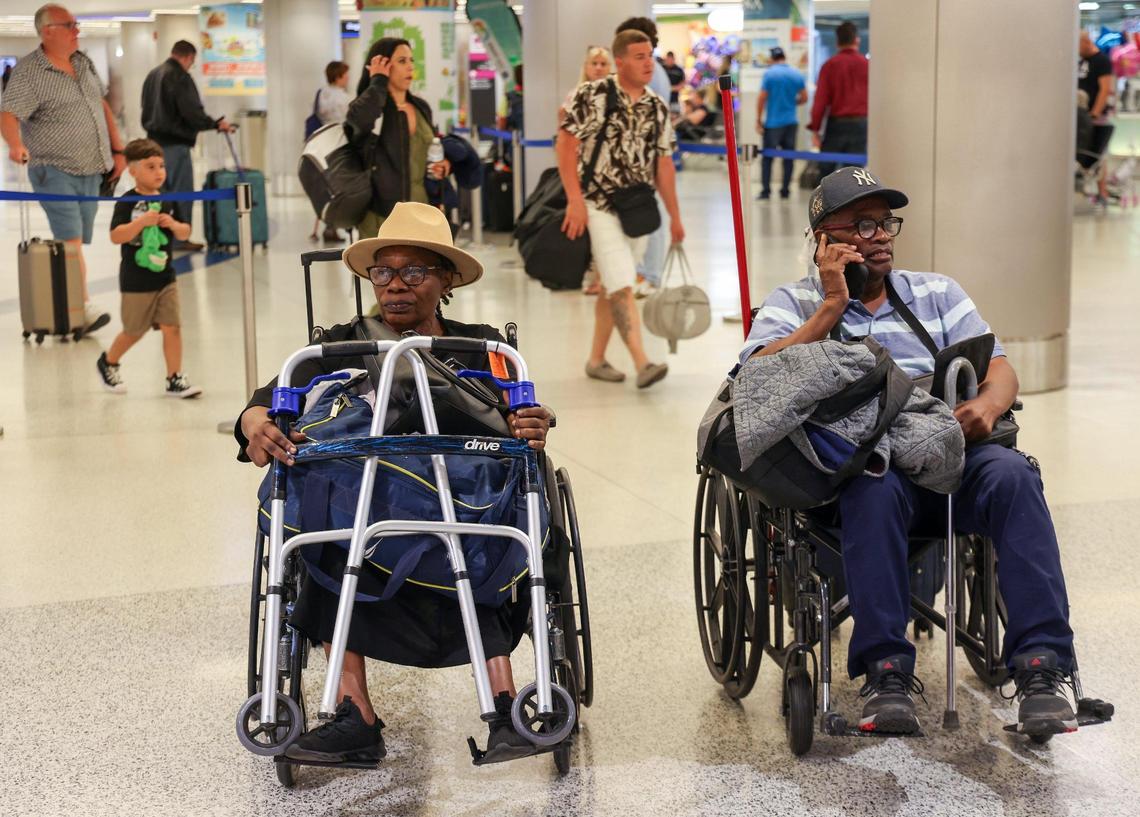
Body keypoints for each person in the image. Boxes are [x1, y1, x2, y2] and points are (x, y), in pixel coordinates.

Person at [740, 166, 1080, 739]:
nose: (880, 237)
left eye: (886, 224)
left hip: (952, 455)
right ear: (824, 239)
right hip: (863, 471)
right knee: (873, 485)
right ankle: (888, 672)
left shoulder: (937, 292)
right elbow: (756, 379)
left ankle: (1043, 668)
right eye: (862, 224)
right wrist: (830, 305)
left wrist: (989, 408)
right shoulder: (792, 303)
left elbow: (998, 367)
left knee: (1015, 476)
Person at [235, 202, 553, 764]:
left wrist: (531, 420)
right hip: (365, 521)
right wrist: (253, 422)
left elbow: (522, 419)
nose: (395, 285)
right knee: (323, 521)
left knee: (488, 519)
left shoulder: (482, 347)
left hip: (463, 510)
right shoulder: (339, 345)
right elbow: (265, 405)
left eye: (414, 271)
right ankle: (354, 716)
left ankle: (505, 706)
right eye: (383, 272)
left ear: (447, 279)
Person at [559, 29, 683, 389]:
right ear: (621, 61)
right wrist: (574, 199)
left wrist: (675, 216)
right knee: (622, 285)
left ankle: (596, 359)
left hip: (638, 208)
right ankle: (642, 362)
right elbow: (565, 146)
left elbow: (664, 165)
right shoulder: (591, 94)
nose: (649, 63)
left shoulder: (657, 106)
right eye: (640, 56)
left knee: (615, 284)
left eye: (651, 55)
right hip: (598, 204)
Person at [0, 3, 124, 336]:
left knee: (76, 241)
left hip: (91, 168)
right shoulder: (30, 71)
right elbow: (8, 113)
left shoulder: (82, 63)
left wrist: (119, 148)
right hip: (54, 168)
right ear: (48, 31)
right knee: (69, 241)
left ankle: (69, 302)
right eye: (70, 25)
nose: (77, 31)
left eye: (76, 24)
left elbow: (101, 105)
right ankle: (80, 307)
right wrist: (15, 145)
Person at [97, 139, 202, 399]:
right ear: (133, 171)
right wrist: (141, 222)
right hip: (136, 280)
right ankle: (108, 362)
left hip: (166, 277)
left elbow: (185, 229)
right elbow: (116, 236)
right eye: (150, 166)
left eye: (161, 166)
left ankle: (174, 377)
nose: (159, 172)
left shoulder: (168, 199)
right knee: (134, 330)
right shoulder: (127, 201)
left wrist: (175, 227)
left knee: (172, 326)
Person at [346, 37, 451, 239]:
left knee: (423, 270)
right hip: (381, 217)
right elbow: (359, 121)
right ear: (383, 65)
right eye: (402, 61)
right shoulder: (373, 108)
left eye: (411, 61)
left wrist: (443, 166)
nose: (410, 67)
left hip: (423, 214)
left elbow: (427, 153)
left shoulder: (421, 107)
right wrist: (377, 82)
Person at [141, 40, 234, 253]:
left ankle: (161, 237)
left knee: (159, 192)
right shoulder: (180, 76)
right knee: (181, 193)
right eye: (192, 62)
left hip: (153, 143)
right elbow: (191, 111)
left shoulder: (153, 74)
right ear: (188, 57)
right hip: (175, 144)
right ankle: (179, 238)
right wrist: (215, 124)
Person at [614, 17, 672, 296]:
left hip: (648, 157)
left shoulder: (653, 75)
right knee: (644, 211)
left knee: (652, 213)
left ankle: (651, 273)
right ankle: (644, 271)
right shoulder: (652, 72)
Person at [560, 45, 613, 296]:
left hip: (611, 172)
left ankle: (605, 276)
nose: (599, 68)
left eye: (604, 63)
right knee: (589, 224)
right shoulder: (577, 95)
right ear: (586, 66)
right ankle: (592, 273)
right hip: (583, 170)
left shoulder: (618, 96)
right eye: (595, 63)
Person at [808, 21, 868, 177]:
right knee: (856, 176)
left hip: (836, 125)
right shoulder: (867, 65)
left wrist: (815, 129)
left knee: (826, 173)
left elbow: (820, 101)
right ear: (857, 40)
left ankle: (826, 202)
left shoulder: (829, 66)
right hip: (861, 125)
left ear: (837, 41)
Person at [756, 47, 807, 200]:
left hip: (773, 123)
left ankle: (766, 190)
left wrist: (758, 120)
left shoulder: (770, 74)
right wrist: (791, 103)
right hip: (791, 122)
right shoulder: (796, 73)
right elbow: (804, 98)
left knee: (767, 159)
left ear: (772, 58)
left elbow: (762, 98)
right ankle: (785, 190)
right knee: (788, 157)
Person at [310, 60, 351, 243]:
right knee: (341, 187)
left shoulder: (322, 94)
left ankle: (330, 225)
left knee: (329, 187)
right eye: (345, 74)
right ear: (338, 76)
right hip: (340, 145)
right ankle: (334, 226)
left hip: (323, 144)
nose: (347, 78)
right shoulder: (343, 98)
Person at [1078, 31, 1116, 205]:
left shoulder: (1101, 61)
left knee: (1098, 151)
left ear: (1086, 42)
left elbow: (1105, 89)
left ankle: (1103, 192)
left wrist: (1095, 112)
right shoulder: (1081, 61)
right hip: (1081, 115)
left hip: (1095, 115)